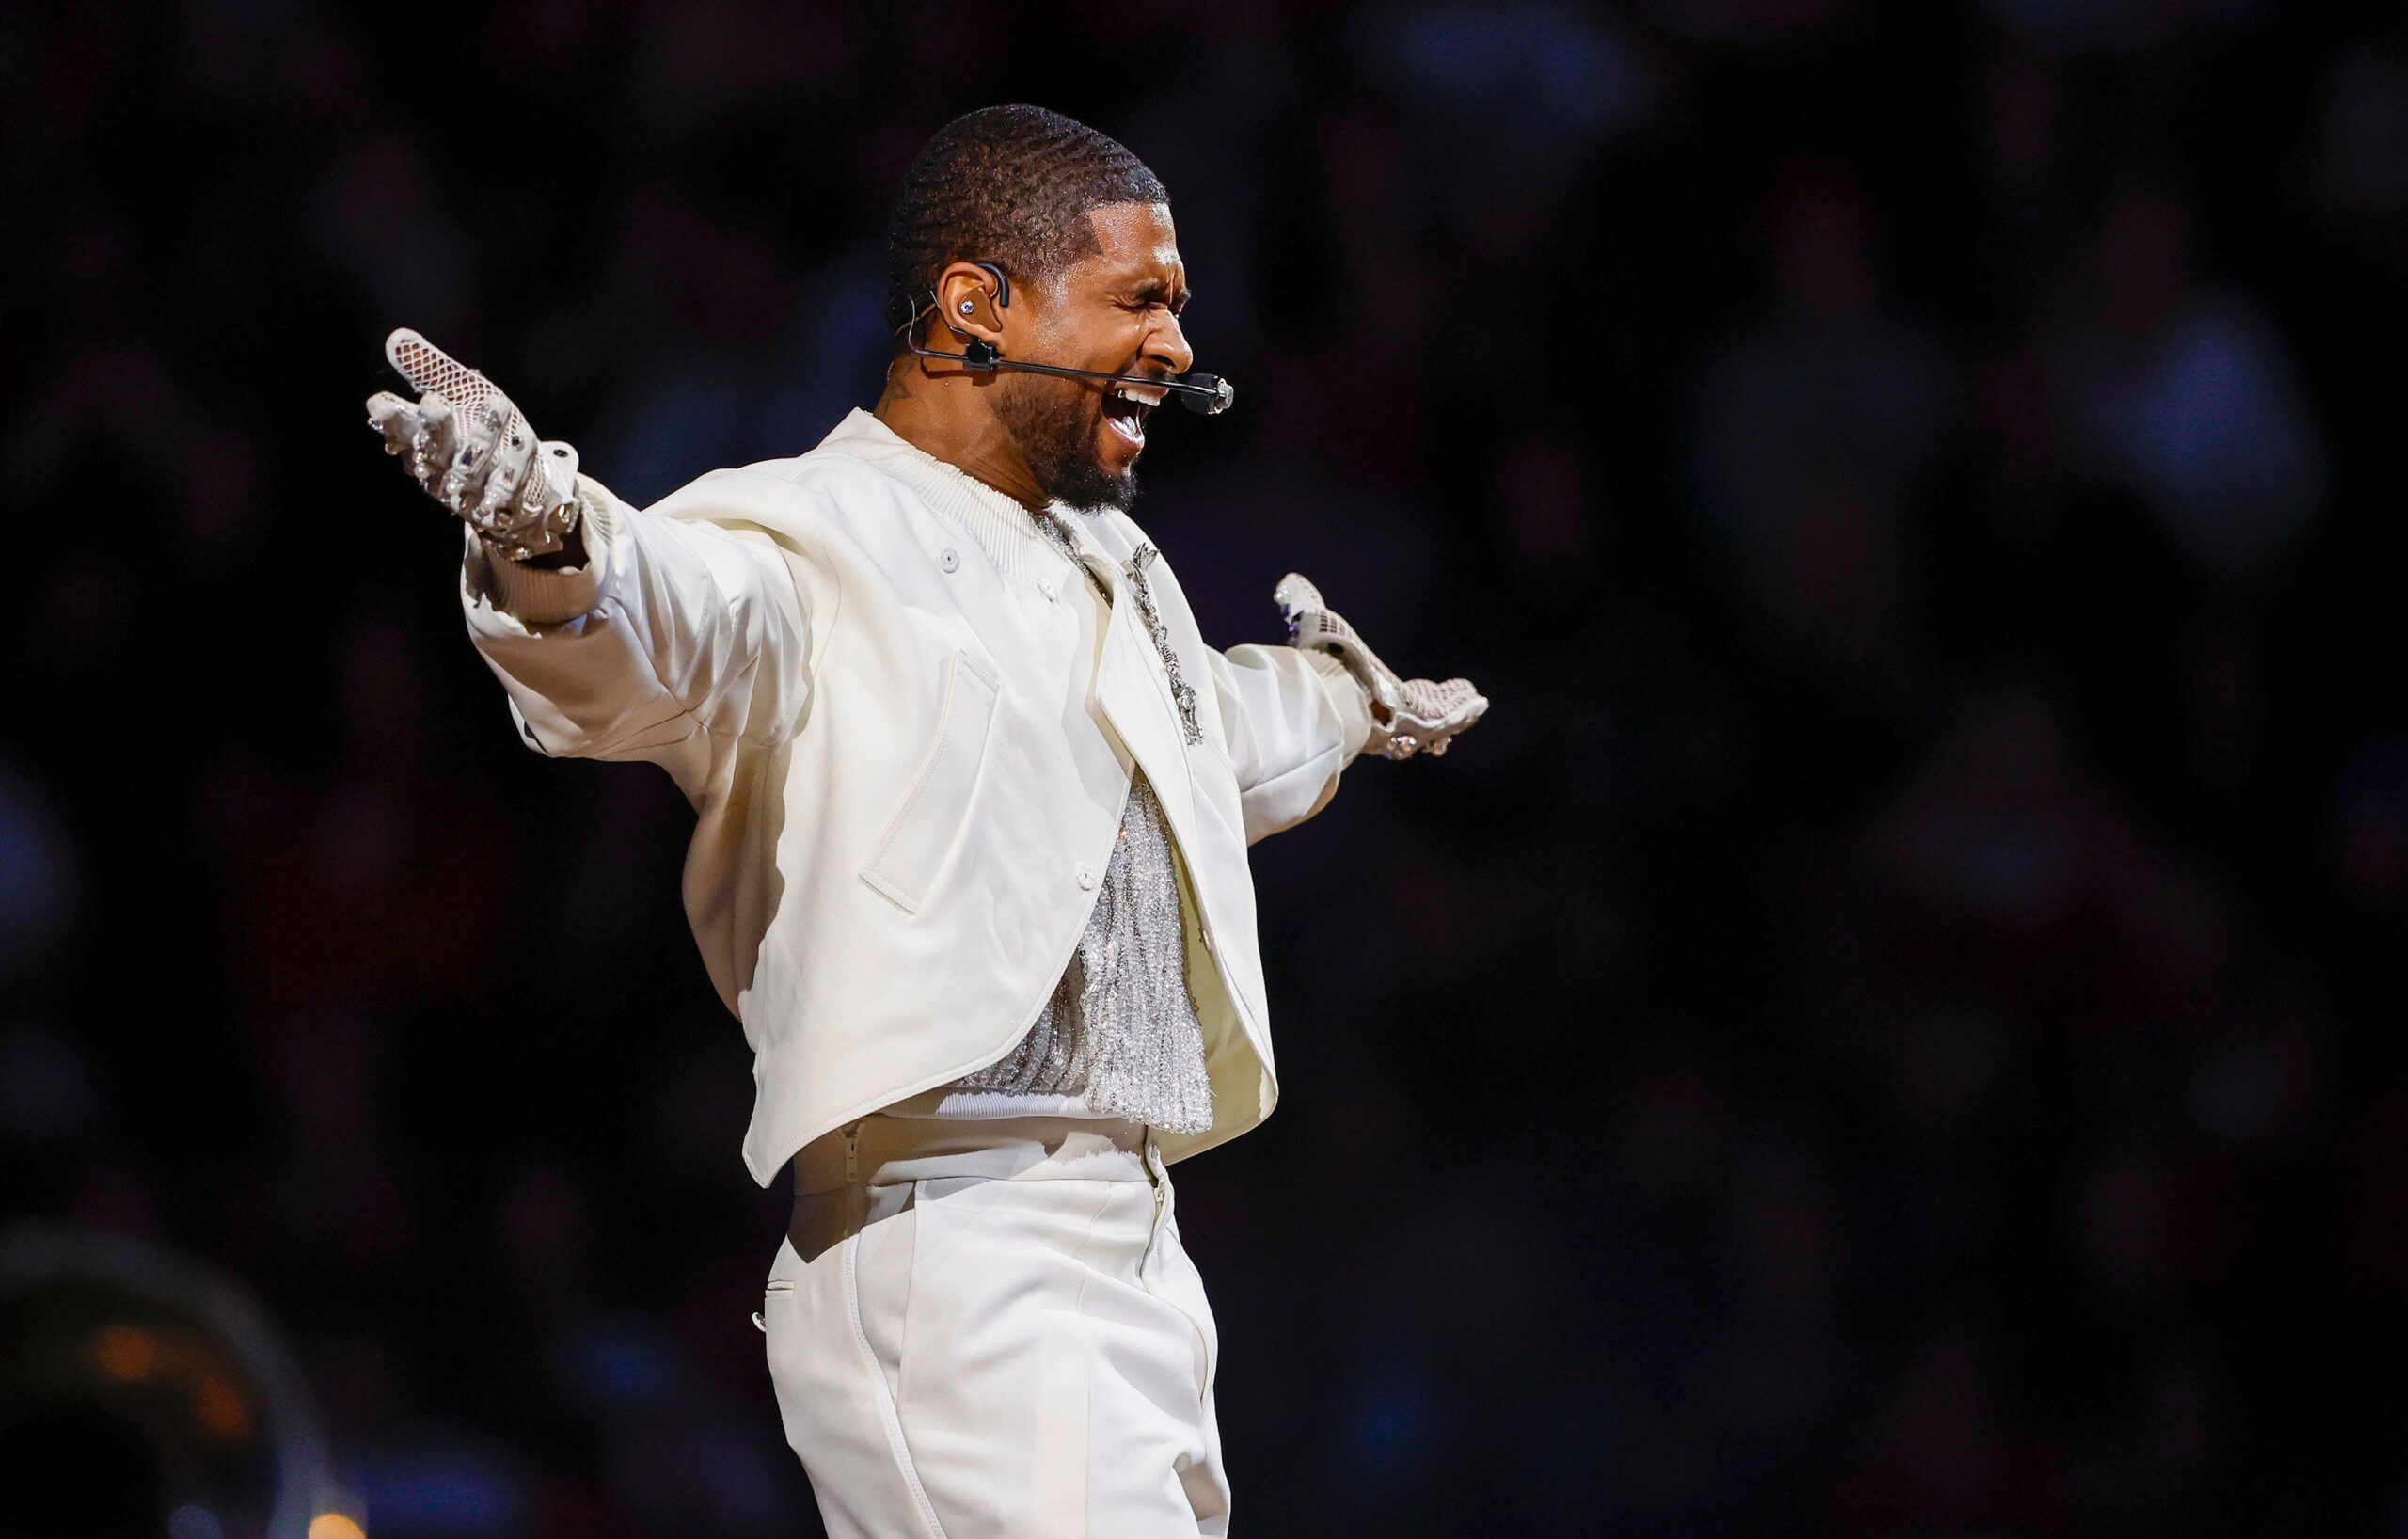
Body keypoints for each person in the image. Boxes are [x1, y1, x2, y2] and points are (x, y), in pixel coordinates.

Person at [365, 104, 1485, 1538]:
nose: (1180, 349)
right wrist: (546, 530)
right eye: (1141, 299)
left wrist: (1346, 699)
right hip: (957, 1248)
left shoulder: (1112, 561)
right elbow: (666, 620)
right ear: (977, 303)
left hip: (1135, 1251)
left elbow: (1202, 738)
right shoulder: (808, 532)